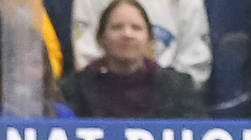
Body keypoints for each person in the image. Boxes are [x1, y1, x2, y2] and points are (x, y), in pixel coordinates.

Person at [62, 0, 205, 117]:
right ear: (101, 38)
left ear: (150, 39)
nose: (127, 34)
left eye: (136, 28)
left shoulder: (178, 89)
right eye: (117, 27)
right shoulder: (75, 89)